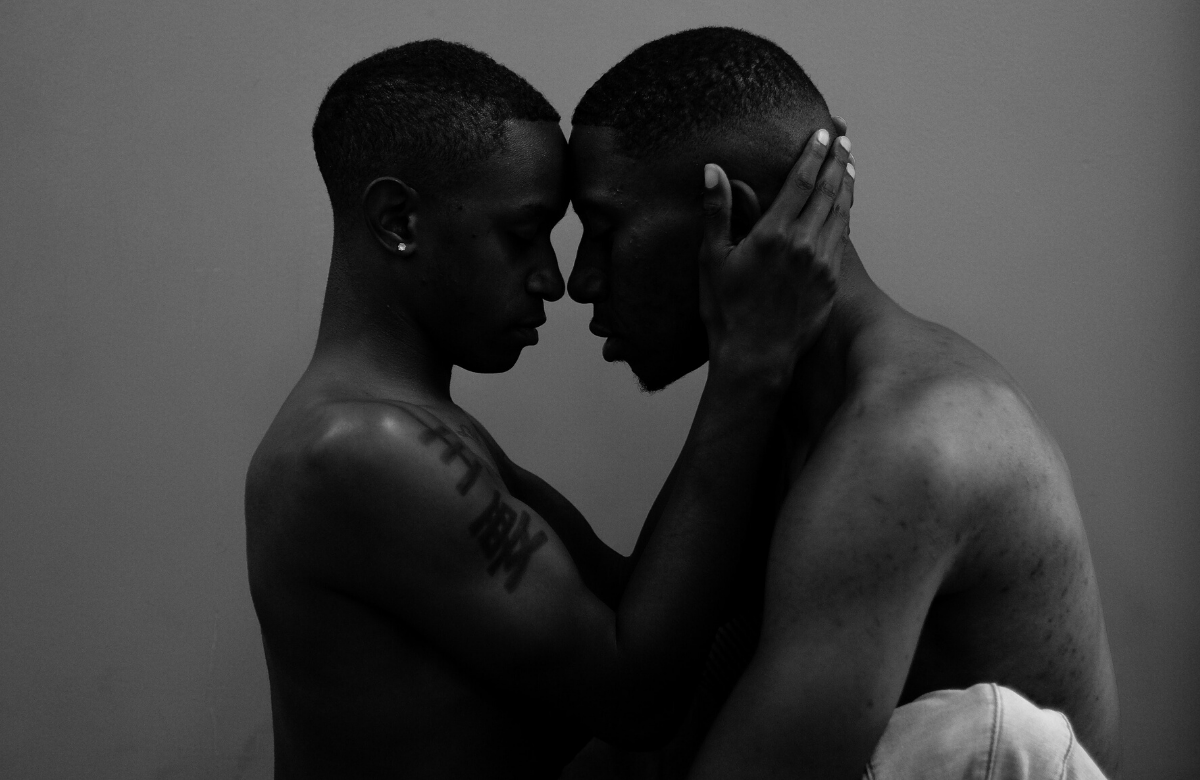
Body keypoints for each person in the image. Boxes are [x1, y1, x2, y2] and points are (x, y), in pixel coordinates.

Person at [244, 39, 855, 778]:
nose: (553, 278)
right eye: (522, 235)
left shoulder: (415, 428)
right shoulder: (358, 447)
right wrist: (748, 366)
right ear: (398, 219)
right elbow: (637, 698)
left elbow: (637, 607)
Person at [563, 26, 1119, 779]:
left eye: (604, 230)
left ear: (738, 220)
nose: (581, 280)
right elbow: (653, 685)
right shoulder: (780, 400)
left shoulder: (905, 446)